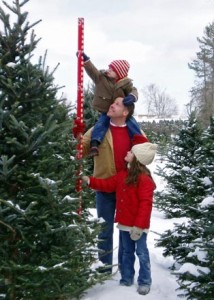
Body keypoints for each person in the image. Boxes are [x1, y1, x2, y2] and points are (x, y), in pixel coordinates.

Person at [73, 97, 147, 274]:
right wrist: (77, 134)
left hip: (128, 189)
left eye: (117, 104)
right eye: (112, 102)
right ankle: (104, 268)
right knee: (104, 230)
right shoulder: (99, 129)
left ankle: (124, 267)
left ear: (125, 112)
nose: (112, 105)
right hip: (104, 188)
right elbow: (80, 150)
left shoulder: (135, 131)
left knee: (125, 231)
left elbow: (146, 153)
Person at [82, 140, 157, 295]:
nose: (127, 153)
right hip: (124, 224)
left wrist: (139, 226)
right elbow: (108, 185)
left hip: (138, 226)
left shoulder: (144, 180)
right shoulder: (123, 175)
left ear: (137, 158)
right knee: (126, 252)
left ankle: (144, 281)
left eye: (131, 152)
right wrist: (90, 180)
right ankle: (127, 278)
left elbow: (145, 205)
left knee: (142, 253)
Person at [77, 52, 142, 156]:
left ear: (119, 73)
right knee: (101, 124)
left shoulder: (126, 84)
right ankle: (95, 143)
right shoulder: (101, 78)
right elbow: (92, 70)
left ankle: (139, 142)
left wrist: (132, 97)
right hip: (106, 111)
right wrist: (86, 60)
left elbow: (133, 91)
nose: (108, 70)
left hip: (120, 112)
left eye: (112, 70)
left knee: (132, 123)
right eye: (109, 68)